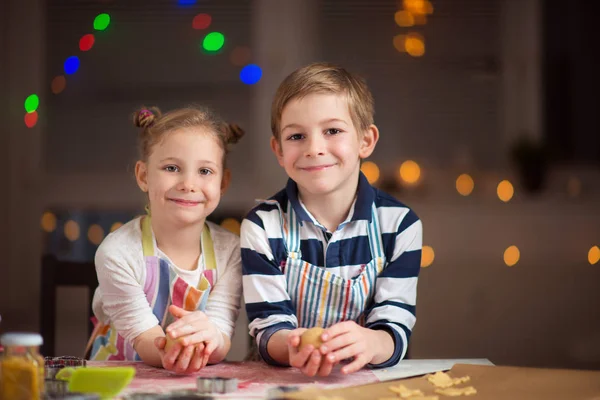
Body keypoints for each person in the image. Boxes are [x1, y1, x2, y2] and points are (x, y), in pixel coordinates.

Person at [241, 62, 423, 377]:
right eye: (297, 136)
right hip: (281, 381)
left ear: (365, 140)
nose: (314, 148)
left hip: (366, 383)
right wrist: (295, 346)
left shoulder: (400, 224)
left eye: (333, 131)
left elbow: (394, 325)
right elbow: (268, 327)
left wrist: (372, 341)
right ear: (279, 150)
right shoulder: (263, 226)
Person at [88, 105, 244, 374]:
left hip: (194, 378)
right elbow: (144, 337)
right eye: (172, 167)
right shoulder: (117, 252)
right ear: (143, 176)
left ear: (223, 182)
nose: (188, 184)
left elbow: (221, 334)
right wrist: (175, 351)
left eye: (205, 171)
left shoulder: (231, 251)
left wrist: (212, 338)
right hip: (117, 380)